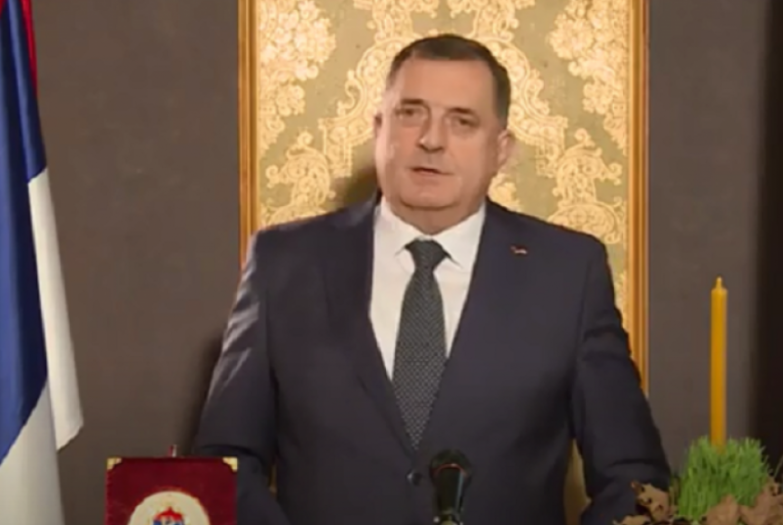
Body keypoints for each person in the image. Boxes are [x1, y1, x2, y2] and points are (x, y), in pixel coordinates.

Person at [192, 33, 670, 525]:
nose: (432, 140)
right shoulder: (284, 262)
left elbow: (634, 481)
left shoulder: (568, 272)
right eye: (410, 113)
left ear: (501, 150)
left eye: (462, 121)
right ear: (379, 128)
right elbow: (225, 466)